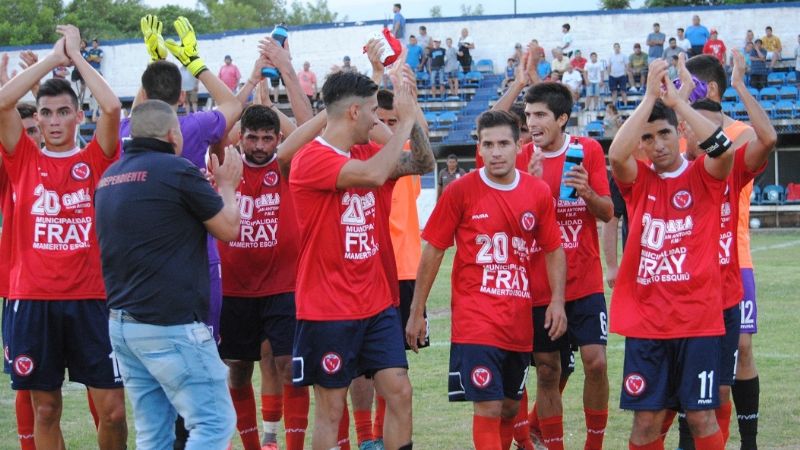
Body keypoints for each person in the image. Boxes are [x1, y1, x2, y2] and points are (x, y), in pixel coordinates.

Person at [406, 109, 567, 450]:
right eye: (488, 144)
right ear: (478, 148)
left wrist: (557, 301)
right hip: (475, 319)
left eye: (503, 144)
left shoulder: (537, 192)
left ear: (519, 146)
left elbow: (553, 249)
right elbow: (434, 250)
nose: (496, 152)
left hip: (518, 319)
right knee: (489, 406)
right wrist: (417, 311)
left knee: (509, 406)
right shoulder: (460, 191)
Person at [0, 25, 128, 449]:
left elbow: (112, 107)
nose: (55, 121)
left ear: (78, 116)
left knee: (113, 411)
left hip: (92, 298)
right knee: (46, 409)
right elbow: (1, 102)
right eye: (47, 113)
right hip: (33, 300)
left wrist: (77, 58)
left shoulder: (96, 158)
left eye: (63, 112)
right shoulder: (23, 159)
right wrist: (54, 59)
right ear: (36, 118)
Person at [95, 99, 241, 449]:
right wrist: (227, 186)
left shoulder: (110, 176)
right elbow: (228, 228)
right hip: (170, 324)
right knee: (215, 422)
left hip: (124, 324)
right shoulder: (177, 171)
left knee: (154, 431)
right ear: (173, 134)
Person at [287, 70, 419, 450]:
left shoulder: (367, 151)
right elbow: (375, 176)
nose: (378, 120)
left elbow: (421, 162)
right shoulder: (310, 159)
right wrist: (403, 124)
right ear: (355, 112)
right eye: (374, 112)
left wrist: (411, 116)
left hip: (377, 303)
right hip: (327, 307)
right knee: (331, 409)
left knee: (400, 391)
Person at [608, 59, 734, 449]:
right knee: (646, 422)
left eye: (664, 133)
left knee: (700, 416)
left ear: (678, 132)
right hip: (648, 323)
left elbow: (723, 148)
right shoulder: (639, 180)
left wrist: (678, 103)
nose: (657, 145)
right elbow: (616, 156)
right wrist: (649, 98)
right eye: (647, 138)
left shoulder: (703, 175)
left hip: (697, 320)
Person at [678, 50, 772, 450]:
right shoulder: (680, 130)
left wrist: (740, 85)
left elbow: (766, 140)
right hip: (691, 261)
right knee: (691, 356)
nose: (682, 90)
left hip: (735, 256)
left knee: (742, 350)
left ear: (710, 88)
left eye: (689, 84)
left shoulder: (739, 132)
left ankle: (747, 441)